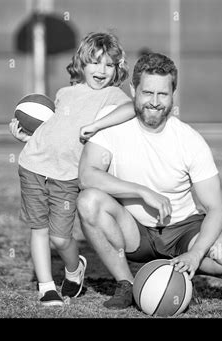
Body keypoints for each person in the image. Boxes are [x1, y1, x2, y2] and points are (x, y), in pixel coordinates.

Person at [77, 53, 222, 309]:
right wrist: (141, 191)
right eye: (147, 92)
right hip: (134, 230)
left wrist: (195, 254)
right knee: (88, 201)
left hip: (183, 229)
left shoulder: (189, 140)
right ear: (133, 90)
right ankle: (126, 284)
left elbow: (218, 208)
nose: (154, 102)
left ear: (173, 94)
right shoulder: (111, 123)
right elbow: (87, 175)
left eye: (163, 94)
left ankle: (178, 271)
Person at [9, 32, 136, 306]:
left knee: (60, 238)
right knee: (38, 228)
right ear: (82, 64)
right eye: (94, 62)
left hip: (66, 176)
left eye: (109, 64)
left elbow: (132, 109)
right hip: (32, 164)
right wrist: (29, 138)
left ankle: (74, 268)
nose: (101, 70)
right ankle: (46, 287)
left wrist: (97, 125)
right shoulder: (65, 93)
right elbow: (56, 132)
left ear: (117, 70)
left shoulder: (112, 95)